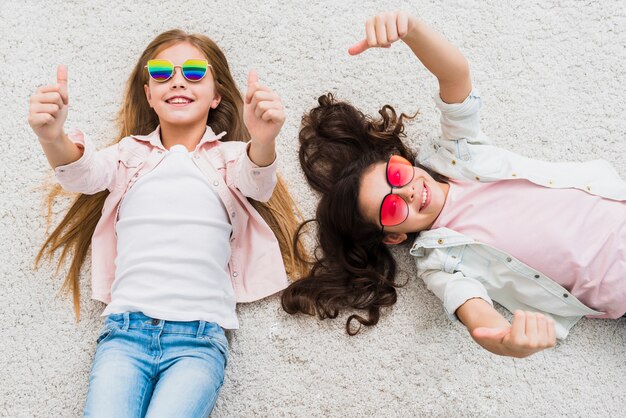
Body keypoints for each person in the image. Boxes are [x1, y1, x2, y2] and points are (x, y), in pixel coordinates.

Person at [281, 11, 626, 359]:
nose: (409, 191)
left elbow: (456, 74)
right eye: (392, 206)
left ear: (399, 161)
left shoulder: (457, 155)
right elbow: (477, 315)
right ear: (393, 236)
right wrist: (506, 342)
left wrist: (410, 29)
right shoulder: (438, 261)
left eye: (396, 175)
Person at [29, 29, 306, 416]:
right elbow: (83, 174)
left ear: (217, 96)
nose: (177, 79)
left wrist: (264, 139)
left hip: (198, 341)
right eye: (161, 72)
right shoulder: (130, 154)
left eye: (194, 72)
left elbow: (257, 182)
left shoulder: (228, 157)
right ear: (148, 95)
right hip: (124, 334)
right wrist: (51, 136)